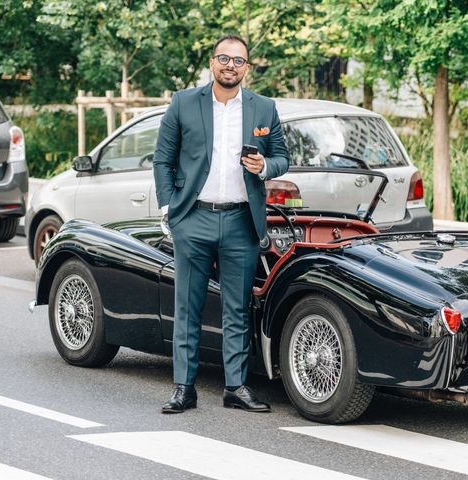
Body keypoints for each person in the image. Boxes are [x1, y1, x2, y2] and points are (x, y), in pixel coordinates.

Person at [153, 34, 289, 414]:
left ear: (248, 68)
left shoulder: (264, 108)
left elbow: (282, 157)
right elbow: (162, 159)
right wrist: (169, 209)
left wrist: (266, 167)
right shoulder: (183, 102)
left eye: (239, 61)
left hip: (241, 221)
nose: (231, 66)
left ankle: (236, 387)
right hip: (193, 219)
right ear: (212, 63)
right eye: (224, 59)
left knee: (237, 309)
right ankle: (184, 388)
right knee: (188, 307)